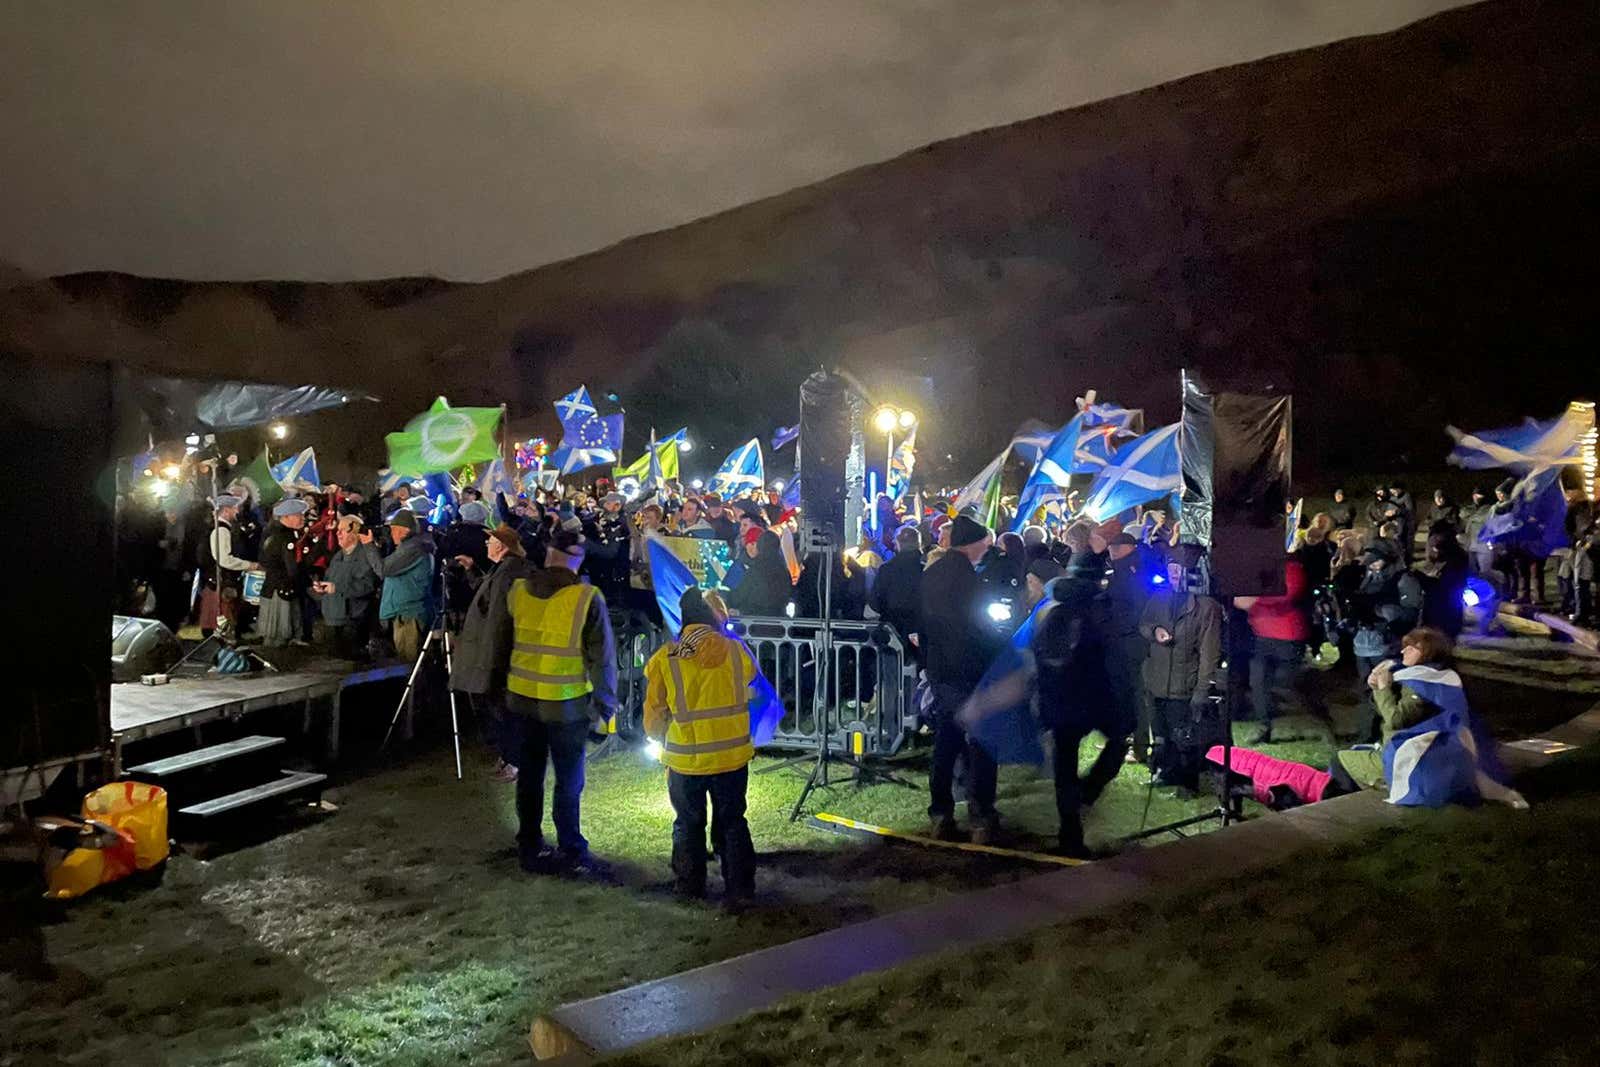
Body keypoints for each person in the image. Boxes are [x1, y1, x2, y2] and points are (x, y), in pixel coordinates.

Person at [503, 528, 618, 873]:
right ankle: (570, 846)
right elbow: (603, 659)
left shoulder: (518, 590)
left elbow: (500, 642)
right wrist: (605, 706)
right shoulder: (586, 597)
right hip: (566, 705)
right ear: (577, 562)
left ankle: (529, 843)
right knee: (568, 780)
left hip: (521, 700)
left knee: (529, 776)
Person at [643, 589, 758, 907]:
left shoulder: (664, 660)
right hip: (732, 756)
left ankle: (689, 886)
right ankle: (741, 889)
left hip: (685, 762)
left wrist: (659, 734)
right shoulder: (737, 651)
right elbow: (751, 682)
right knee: (734, 821)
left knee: (688, 823)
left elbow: (653, 718)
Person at [1032, 555, 1127, 858]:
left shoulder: (1049, 614)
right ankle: (1087, 793)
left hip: (1059, 703)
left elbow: (1039, 659)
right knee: (1118, 742)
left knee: (1064, 770)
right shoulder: (1097, 615)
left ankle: (1069, 833)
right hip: (1090, 700)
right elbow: (1108, 662)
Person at [920, 516, 1006, 842]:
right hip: (970, 672)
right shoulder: (970, 579)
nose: (987, 548)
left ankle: (940, 813)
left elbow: (924, 624)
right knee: (982, 743)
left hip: (941, 671)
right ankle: (982, 816)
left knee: (946, 742)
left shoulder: (931, 575)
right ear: (972, 543)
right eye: (984, 542)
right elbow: (978, 630)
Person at [451, 524, 538, 783]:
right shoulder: (504, 569)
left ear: (501, 546)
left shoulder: (508, 572)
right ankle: (508, 757)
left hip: (497, 656)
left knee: (504, 710)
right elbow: (488, 596)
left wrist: (491, 661)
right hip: (496, 654)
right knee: (500, 709)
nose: (486, 544)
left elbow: (498, 619)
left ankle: (514, 761)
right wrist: (471, 570)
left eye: (490, 541)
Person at [1327, 627, 1456, 793]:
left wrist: (1383, 688)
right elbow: (1386, 711)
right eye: (1405, 646)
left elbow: (1396, 720)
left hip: (1409, 760)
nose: (1404, 651)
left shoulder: (1423, 685)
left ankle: (1344, 803)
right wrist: (1376, 687)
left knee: (1339, 760)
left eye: (1412, 648)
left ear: (1428, 653)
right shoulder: (1426, 676)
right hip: (1408, 751)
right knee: (1353, 752)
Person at [1139, 545, 1224, 790]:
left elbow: (1209, 653)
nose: (1174, 574)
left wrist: (1201, 691)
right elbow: (1144, 624)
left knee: (1184, 737)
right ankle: (1166, 773)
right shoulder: (1159, 597)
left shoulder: (1206, 607)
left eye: (1180, 569)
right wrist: (1155, 631)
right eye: (1171, 568)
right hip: (1157, 680)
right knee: (1162, 733)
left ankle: (1188, 782)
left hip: (1184, 683)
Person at [1349, 540, 1424, 741]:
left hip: (1387, 645)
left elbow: (1411, 613)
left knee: (1388, 691)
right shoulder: (1368, 577)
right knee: (1366, 689)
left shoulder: (1404, 579)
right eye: (1370, 562)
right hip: (1363, 644)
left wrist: (1383, 611)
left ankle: (1387, 735)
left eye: (1377, 561)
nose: (1372, 566)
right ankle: (1366, 735)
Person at [1234, 558, 1313, 744]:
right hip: (1261, 636)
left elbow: (1289, 591)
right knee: (1258, 683)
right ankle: (1264, 725)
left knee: (1285, 683)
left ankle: (1316, 713)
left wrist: (1256, 599)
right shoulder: (1256, 567)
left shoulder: (1291, 566)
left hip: (1287, 637)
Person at [1103, 532, 1155, 763]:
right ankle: (1124, 738)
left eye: (1116, 546)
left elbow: (1136, 609)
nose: (1111, 550)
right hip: (1123, 639)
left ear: (1128, 547)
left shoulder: (1132, 571)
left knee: (1135, 695)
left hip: (1131, 641)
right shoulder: (1122, 569)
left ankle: (1140, 745)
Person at [312, 515, 382, 660]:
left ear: (355, 532)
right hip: (333, 619)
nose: (337, 533)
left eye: (342, 530)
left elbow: (367, 586)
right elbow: (329, 579)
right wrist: (321, 588)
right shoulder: (338, 556)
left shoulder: (366, 556)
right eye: (338, 530)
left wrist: (337, 588)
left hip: (353, 621)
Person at [376, 509, 436, 662]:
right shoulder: (409, 547)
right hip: (404, 613)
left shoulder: (413, 549)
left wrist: (368, 546)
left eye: (394, 530)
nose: (392, 534)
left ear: (404, 531)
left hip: (409, 616)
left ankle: (416, 686)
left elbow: (384, 569)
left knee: (410, 662)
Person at [198, 493, 259, 636]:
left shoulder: (219, 527)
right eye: (234, 508)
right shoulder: (221, 530)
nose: (237, 511)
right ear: (226, 510)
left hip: (218, 579)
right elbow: (224, 560)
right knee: (222, 622)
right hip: (221, 580)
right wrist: (250, 565)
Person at [256, 498, 309, 647]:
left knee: (275, 632)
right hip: (282, 588)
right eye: (298, 515)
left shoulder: (271, 532)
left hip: (273, 586)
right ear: (286, 517)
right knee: (278, 632)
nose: (302, 518)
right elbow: (291, 567)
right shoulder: (286, 537)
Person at [870, 526, 925, 660]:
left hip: (892, 630)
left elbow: (875, 601)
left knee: (892, 670)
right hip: (919, 631)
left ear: (897, 544)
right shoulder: (926, 569)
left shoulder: (887, 569)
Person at [726, 529, 792, 617]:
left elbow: (740, 595)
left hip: (752, 620)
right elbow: (787, 596)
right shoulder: (784, 571)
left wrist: (727, 599)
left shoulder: (755, 570)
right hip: (780, 620)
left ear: (760, 546)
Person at [1418, 528, 1470, 638]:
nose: (1434, 550)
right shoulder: (1456, 558)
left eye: (1437, 548)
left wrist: (1421, 578)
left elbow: (1442, 586)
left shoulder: (1454, 563)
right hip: (1450, 607)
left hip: (1443, 612)